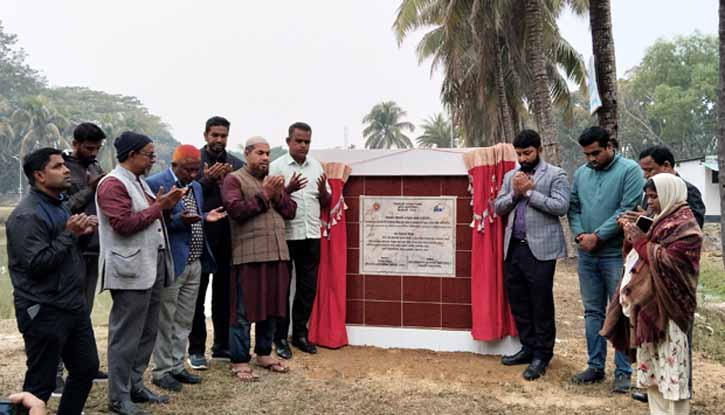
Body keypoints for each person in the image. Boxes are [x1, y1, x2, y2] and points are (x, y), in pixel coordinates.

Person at [6, 148, 100, 415]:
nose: (67, 169)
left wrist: (80, 232)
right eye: (58, 166)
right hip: (44, 308)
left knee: (86, 368)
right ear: (39, 175)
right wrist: (70, 234)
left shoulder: (59, 204)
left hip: (72, 303)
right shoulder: (27, 215)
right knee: (40, 383)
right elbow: (37, 265)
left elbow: (60, 249)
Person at [96, 132, 185, 415]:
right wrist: (160, 207)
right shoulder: (112, 184)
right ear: (132, 154)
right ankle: (118, 396)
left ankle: (135, 385)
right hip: (130, 270)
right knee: (126, 336)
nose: (153, 158)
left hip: (152, 264)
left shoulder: (138, 182)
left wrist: (164, 209)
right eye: (149, 153)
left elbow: (150, 218)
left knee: (147, 331)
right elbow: (123, 224)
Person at [602, 173, 703, 415]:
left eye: (655, 197)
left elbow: (669, 263)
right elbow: (636, 257)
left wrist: (640, 240)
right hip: (648, 307)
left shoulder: (686, 227)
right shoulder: (658, 220)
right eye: (648, 197)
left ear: (670, 194)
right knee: (654, 369)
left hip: (670, 309)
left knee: (673, 368)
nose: (651, 202)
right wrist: (632, 236)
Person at [568, 126, 645, 392]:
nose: (591, 158)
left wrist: (597, 237)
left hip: (616, 254)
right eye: (587, 154)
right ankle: (595, 366)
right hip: (587, 254)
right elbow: (574, 206)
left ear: (610, 146)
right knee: (592, 312)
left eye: (596, 153)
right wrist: (580, 235)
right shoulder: (580, 174)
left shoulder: (630, 171)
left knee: (621, 310)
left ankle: (623, 371)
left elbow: (626, 209)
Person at [147, 145, 227, 392]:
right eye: (188, 169)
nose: (192, 175)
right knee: (166, 318)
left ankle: (177, 366)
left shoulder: (196, 187)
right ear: (174, 165)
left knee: (184, 319)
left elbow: (194, 214)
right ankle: (161, 371)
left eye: (196, 170)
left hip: (195, 261)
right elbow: (151, 220)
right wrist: (176, 220)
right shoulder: (155, 183)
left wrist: (205, 217)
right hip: (172, 260)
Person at [494, 129, 570, 380]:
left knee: (541, 303)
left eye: (527, 153)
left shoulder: (556, 174)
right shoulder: (510, 176)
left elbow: (560, 207)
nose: (523, 159)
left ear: (539, 150)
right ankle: (527, 348)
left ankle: (542, 354)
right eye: (519, 154)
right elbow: (498, 207)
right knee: (519, 301)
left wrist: (529, 192)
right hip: (514, 247)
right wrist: (516, 193)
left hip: (541, 249)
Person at [222, 136, 296, 382]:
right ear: (246, 154)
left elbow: (290, 212)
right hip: (248, 256)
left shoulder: (273, 181)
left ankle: (264, 354)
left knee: (274, 309)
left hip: (278, 254)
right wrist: (265, 194)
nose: (265, 158)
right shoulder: (233, 179)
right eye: (260, 153)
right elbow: (236, 211)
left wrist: (277, 194)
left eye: (267, 154)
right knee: (243, 312)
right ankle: (240, 360)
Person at [269, 122, 330, 359]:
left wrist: (324, 192)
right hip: (286, 235)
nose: (303, 145)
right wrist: (288, 188)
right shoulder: (276, 167)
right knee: (282, 289)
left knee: (307, 288)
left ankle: (301, 335)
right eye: (299, 141)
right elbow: (270, 200)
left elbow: (325, 202)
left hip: (312, 235)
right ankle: (280, 338)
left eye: (307, 142)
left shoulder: (317, 167)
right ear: (288, 141)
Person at [187, 116, 244, 370]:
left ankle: (222, 345)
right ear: (205, 135)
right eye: (215, 135)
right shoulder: (192, 163)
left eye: (223, 136)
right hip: (198, 238)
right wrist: (206, 180)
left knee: (224, 295)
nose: (219, 140)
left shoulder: (236, 164)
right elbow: (182, 194)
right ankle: (196, 349)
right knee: (195, 297)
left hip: (228, 239)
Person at [59, 122, 108, 392]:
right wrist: (92, 188)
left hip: (93, 249)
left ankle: (81, 366)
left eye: (97, 148)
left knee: (83, 313)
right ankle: (53, 372)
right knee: (63, 313)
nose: (93, 152)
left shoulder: (95, 167)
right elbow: (65, 205)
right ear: (75, 144)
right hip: (71, 250)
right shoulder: (64, 169)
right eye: (89, 148)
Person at [636, 145, 705, 228]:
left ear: (666, 165)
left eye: (649, 170)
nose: (645, 175)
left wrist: (650, 219)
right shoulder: (651, 188)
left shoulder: (688, 190)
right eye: (644, 170)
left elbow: (693, 227)